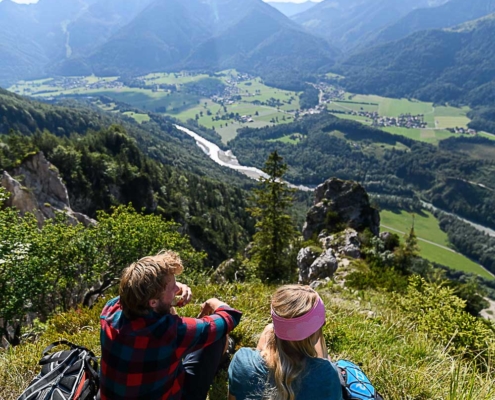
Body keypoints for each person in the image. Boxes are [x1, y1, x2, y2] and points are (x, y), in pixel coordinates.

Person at [99, 250, 242, 400]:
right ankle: (223, 355)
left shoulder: (110, 310)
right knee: (216, 338)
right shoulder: (171, 332)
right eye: (172, 287)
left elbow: (136, 293)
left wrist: (169, 290)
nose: (176, 289)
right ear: (153, 302)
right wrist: (212, 302)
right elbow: (230, 317)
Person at [228, 285, 343, 400]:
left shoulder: (242, 361)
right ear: (315, 332)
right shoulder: (327, 374)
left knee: (268, 330)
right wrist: (325, 363)